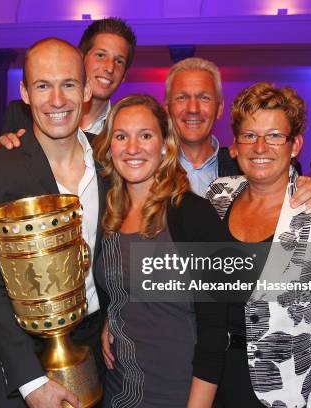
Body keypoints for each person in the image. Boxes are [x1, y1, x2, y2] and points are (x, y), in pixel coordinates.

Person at [200, 82, 311, 407]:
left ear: (296, 144)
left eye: (275, 135)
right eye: (249, 135)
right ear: (235, 144)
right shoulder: (217, 197)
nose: (260, 146)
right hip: (207, 381)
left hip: (282, 392)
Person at [0, 38, 105, 408]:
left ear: (88, 89)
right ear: (25, 93)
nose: (57, 100)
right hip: (25, 360)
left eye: (69, 84)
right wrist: (31, 383)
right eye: (43, 85)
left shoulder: (111, 160)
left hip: (101, 348)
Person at [92, 94, 225, 407]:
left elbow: (215, 329)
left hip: (176, 395)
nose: (133, 148)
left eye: (146, 135)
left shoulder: (193, 215)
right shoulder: (107, 214)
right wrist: (113, 313)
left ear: (165, 144)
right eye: (121, 136)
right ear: (110, 146)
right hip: (118, 391)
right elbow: (122, 286)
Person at [164, 57, 311, 207]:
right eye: (181, 97)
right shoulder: (147, 169)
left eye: (204, 98)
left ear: (219, 108)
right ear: (166, 108)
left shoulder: (247, 164)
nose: (193, 108)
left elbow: (293, 190)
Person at [0, 17, 136, 149]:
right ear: (80, 60)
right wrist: (2, 150)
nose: (110, 67)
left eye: (119, 61)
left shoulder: (122, 127)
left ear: (124, 75)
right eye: (100, 55)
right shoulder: (20, 113)